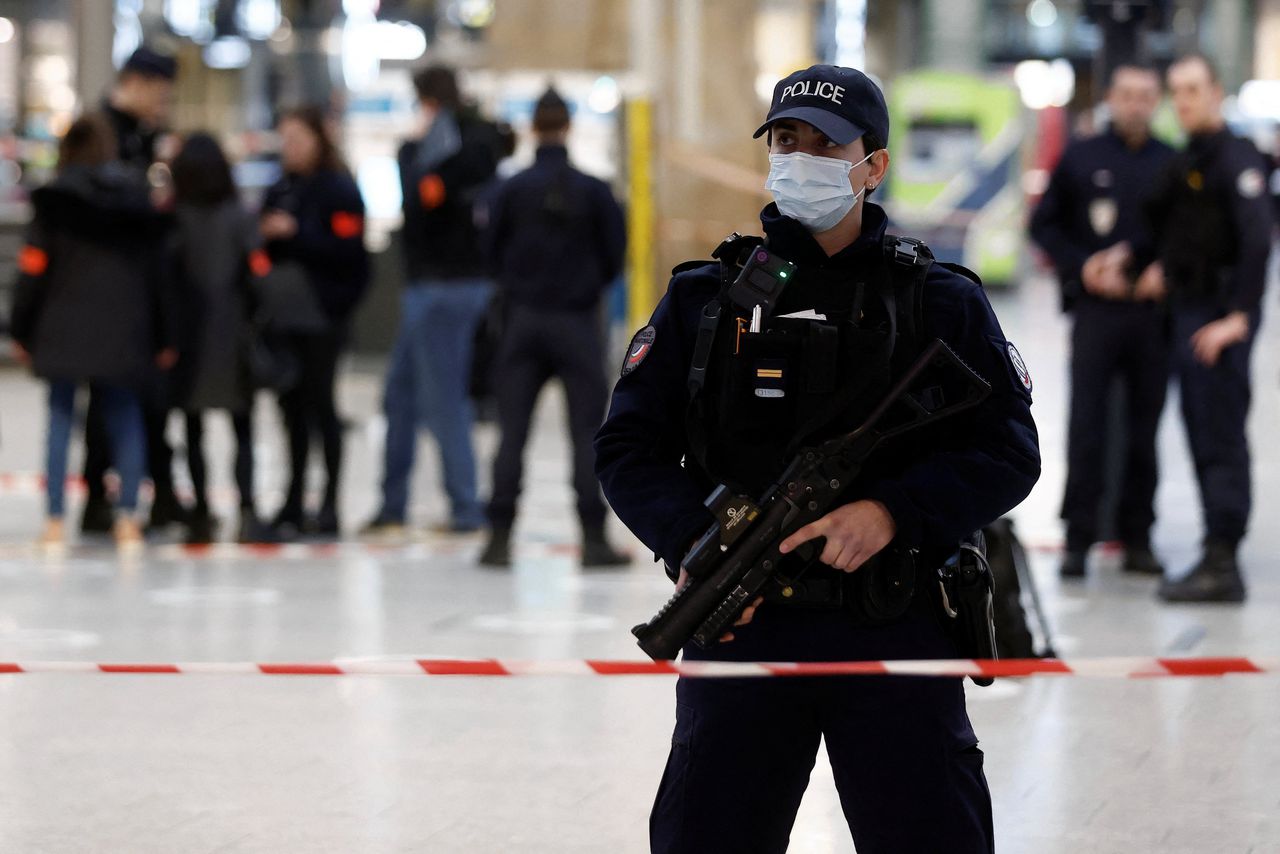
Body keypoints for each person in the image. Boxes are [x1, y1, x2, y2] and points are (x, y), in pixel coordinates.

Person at [595, 65, 1040, 853]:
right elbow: (627, 446)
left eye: (827, 146)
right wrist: (692, 541)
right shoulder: (707, 300)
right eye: (787, 140)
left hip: (893, 620)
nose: (801, 158)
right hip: (743, 624)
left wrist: (893, 511)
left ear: (874, 167)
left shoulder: (939, 300)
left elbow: (1008, 448)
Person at [1028, 64, 1175, 579]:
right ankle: (1078, 537)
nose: (1135, 104)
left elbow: (1189, 235)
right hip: (1096, 314)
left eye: (1145, 95)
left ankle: (1138, 537)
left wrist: (1166, 269)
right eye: (1127, 94)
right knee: (1086, 426)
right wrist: (1082, 266)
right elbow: (1043, 225)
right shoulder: (1081, 157)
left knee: (1144, 429)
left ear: (1157, 101)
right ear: (1111, 97)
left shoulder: (1171, 163)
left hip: (1152, 317)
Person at [1138, 55, 1275, 603]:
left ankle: (1223, 560)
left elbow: (1258, 241)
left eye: (1194, 89)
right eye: (1177, 91)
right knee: (1199, 432)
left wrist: (1238, 318)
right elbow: (1170, 230)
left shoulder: (1237, 158)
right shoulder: (1186, 159)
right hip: (1188, 311)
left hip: (1220, 317)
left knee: (1219, 435)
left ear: (1217, 92)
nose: (1185, 101)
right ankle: (1215, 549)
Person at [476, 88, 629, 568]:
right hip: (577, 323)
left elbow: (489, 252)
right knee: (586, 432)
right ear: (568, 127)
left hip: (522, 321)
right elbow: (614, 257)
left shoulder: (510, 188)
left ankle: (498, 539)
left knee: (512, 432)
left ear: (531, 128)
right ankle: (593, 539)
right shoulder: (596, 191)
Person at [9, 113, 175, 550]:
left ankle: (55, 521)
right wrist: (163, 333)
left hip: (61, 323)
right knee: (124, 418)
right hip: (124, 326)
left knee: (61, 419)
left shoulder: (55, 203)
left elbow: (33, 269)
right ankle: (127, 520)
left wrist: (20, 328)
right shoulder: (134, 200)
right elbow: (157, 274)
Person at [362, 65, 502, 537]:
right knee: (399, 395)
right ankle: (392, 505)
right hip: (434, 286)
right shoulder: (476, 141)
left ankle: (465, 509)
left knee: (443, 398)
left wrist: (417, 158)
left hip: (445, 287)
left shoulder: (453, 141)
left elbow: (423, 200)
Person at [80, 46, 187, 537]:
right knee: (108, 402)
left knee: (152, 400)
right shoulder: (99, 133)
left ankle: (158, 495)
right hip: (108, 292)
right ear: (139, 83)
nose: (163, 105)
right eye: (160, 94)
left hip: (147, 292)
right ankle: (100, 499)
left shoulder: (148, 138)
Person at [260, 107, 370, 539]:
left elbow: (350, 254)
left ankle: (329, 504)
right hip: (283, 318)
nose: (290, 149)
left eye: (298, 140)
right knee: (290, 412)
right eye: (284, 140)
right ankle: (292, 500)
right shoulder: (280, 188)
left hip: (323, 317)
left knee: (322, 407)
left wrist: (297, 234)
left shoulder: (339, 190)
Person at [168, 132, 269, 544]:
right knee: (242, 426)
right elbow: (258, 274)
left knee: (193, 428)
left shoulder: (175, 218)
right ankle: (246, 508)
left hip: (189, 337)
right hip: (234, 335)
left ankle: (201, 512)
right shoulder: (240, 216)